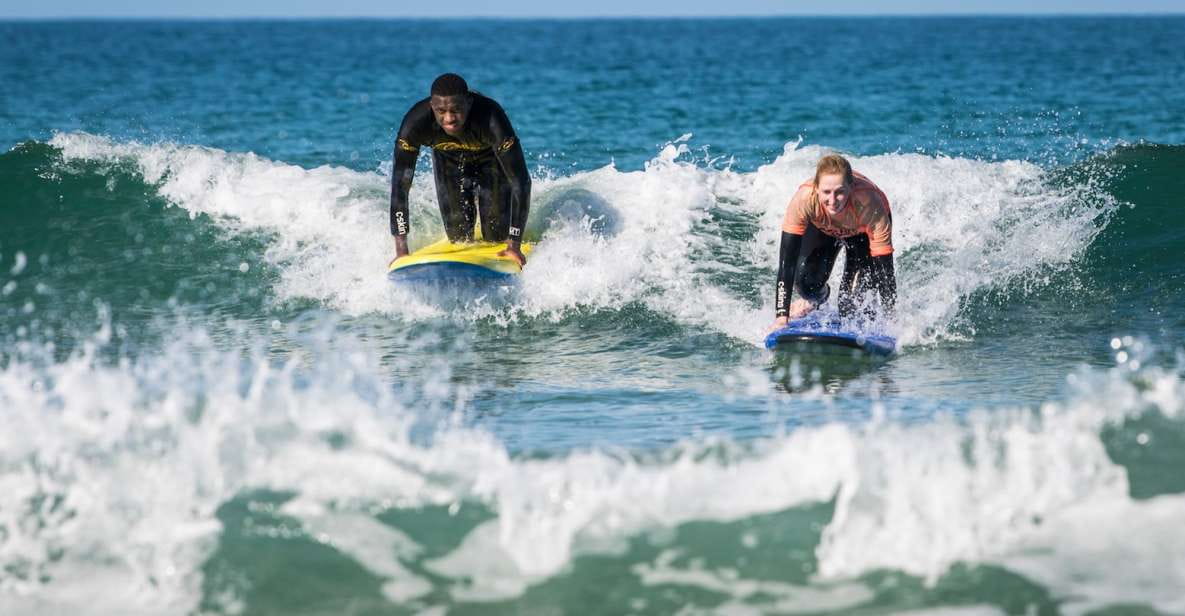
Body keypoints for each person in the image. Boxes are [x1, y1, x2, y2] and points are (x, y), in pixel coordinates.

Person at [389, 73, 531, 266]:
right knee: (458, 236)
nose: (449, 118)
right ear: (432, 106)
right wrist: (402, 250)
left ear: (469, 103)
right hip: (448, 160)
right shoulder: (415, 123)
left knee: (496, 235)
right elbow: (400, 186)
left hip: (490, 160)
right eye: (441, 111)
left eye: (456, 110)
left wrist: (514, 244)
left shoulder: (491, 117)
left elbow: (520, 182)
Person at [771, 153, 896, 329]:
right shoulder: (803, 200)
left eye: (839, 192)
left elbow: (885, 270)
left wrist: (891, 318)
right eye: (826, 192)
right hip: (823, 229)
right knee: (806, 285)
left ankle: (871, 312)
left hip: (862, 234)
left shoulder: (870, 203)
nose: (832, 201)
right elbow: (786, 264)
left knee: (852, 306)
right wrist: (781, 317)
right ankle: (816, 301)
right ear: (816, 188)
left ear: (850, 187)